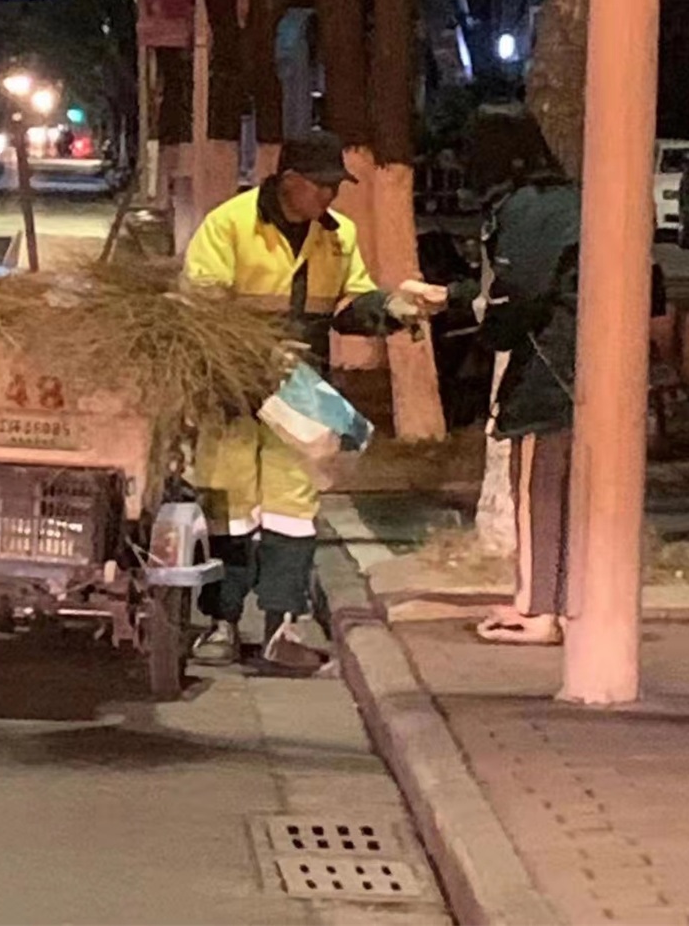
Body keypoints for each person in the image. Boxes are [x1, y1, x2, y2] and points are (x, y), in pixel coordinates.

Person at [184, 130, 426, 675]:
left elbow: (348, 305)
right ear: (289, 181)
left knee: (293, 509)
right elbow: (205, 309)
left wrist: (390, 309)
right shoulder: (230, 224)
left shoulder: (337, 235)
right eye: (321, 186)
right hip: (233, 389)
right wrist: (255, 358)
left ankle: (281, 628)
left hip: (299, 394)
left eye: (335, 186)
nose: (330, 196)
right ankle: (222, 622)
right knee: (228, 504)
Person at [445, 105, 580, 645]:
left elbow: (516, 295)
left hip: (550, 365)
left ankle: (537, 607)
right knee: (573, 494)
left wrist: (478, 320)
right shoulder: (572, 200)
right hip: (594, 364)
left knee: (537, 486)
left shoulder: (526, 208)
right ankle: (564, 602)